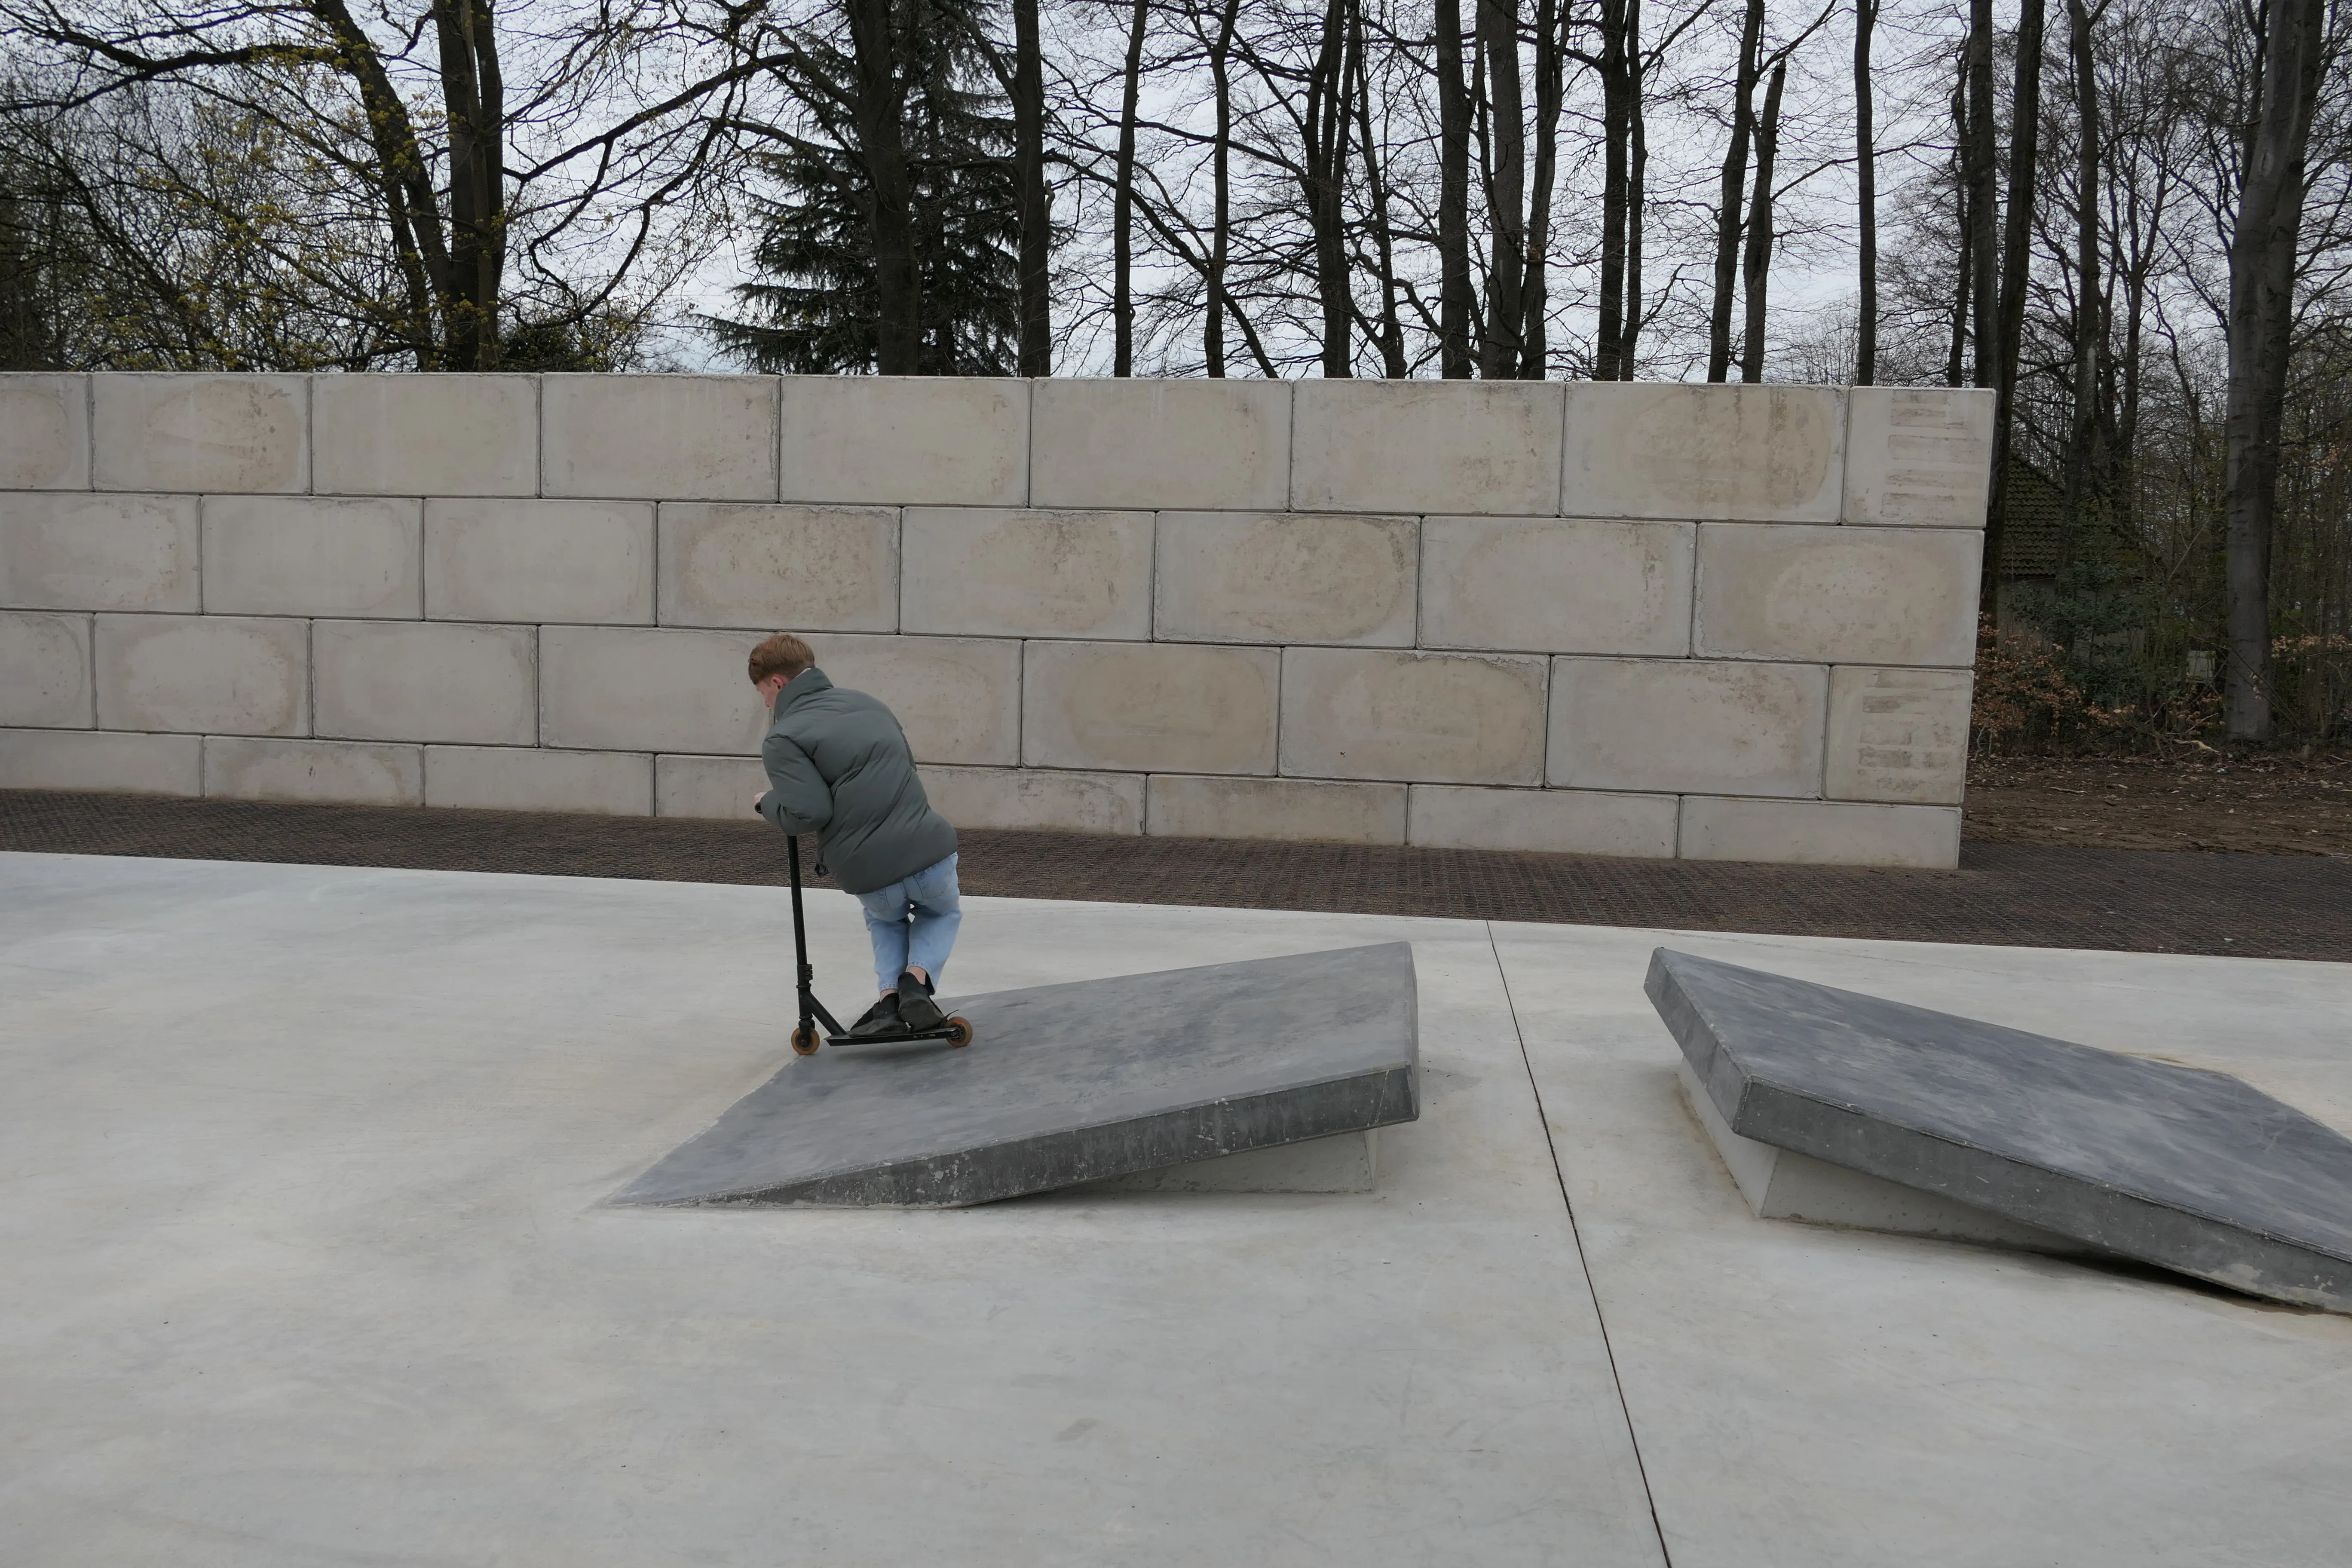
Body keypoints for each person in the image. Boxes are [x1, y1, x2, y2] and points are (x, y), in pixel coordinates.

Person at [747, 632, 962, 1038]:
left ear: (777, 683)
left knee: (886, 922)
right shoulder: (870, 704)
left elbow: (808, 812)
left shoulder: (783, 737)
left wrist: (767, 804)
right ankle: (915, 982)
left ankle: (888, 1004)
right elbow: (907, 767)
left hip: (868, 871)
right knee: (940, 912)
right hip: (929, 849)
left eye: (763, 692)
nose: (765, 704)